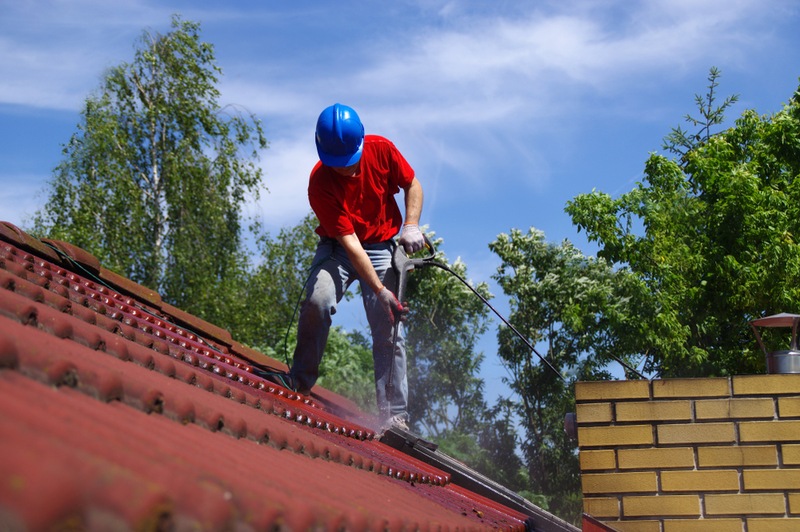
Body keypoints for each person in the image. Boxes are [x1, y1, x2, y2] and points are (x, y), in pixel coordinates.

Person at [286, 103, 424, 431]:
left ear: (361, 143)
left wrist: (411, 226)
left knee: (389, 326)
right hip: (341, 248)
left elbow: (413, 184)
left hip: (381, 244)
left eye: (350, 162)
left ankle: (394, 414)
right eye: (338, 165)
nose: (345, 170)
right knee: (318, 300)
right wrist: (379, 290)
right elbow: (350, 244)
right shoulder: (320, 183)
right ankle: (300, 383)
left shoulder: (382, 149)